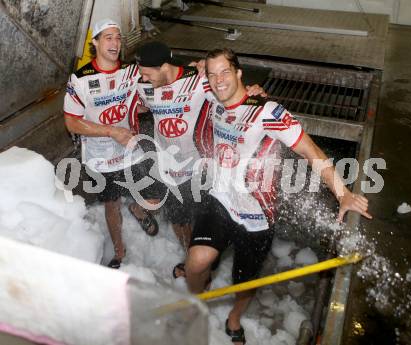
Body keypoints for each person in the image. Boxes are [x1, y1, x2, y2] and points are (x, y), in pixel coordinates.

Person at [184, 48, 373, 344]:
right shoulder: (211, 94)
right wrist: (198, 68)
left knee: (244, 283)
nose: (218, 80)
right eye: (213, 74)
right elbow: (192, 73)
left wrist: (343, 192)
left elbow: (309, 150)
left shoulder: (267, 112)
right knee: (196, 262)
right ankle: (196, 301)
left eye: (224, 72)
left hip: (256, 215)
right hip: (220, 199)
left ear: (239, 73)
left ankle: (234, 318)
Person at [135, 41, 265, 278]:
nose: (143, 78)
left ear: (164, 66)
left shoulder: (199, 80)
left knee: (204, 214)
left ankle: (201, 257)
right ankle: (189, 259)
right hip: (167, 166)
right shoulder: (143, 84)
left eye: (147, 73)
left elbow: (230, 92)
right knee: (178, 217)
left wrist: (253, 93)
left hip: (199, 166)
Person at [63, 19, 159, 269]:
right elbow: (72, 122)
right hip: (100, 155)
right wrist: (110, 131)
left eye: (118, 37)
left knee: (146, 190)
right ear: (95, 42)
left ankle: (138, 210)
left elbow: (145, 96)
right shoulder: (80, 80)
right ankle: (119, 250)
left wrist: (142, 106)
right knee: (111, 201)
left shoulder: (131, 72)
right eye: (108, 37)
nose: (115, 43)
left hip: (130, 148)